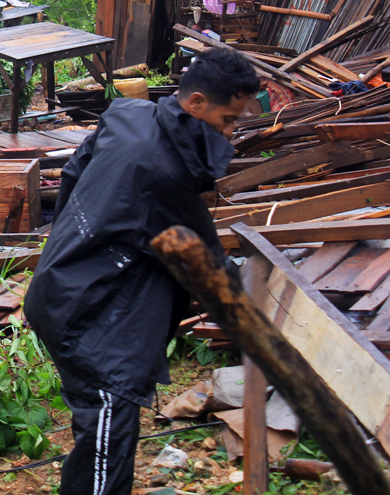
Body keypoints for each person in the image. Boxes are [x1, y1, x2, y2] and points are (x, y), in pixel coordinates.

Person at [24, 47, 260, 495]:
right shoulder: (161, 171)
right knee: (105, 446)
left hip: (67, 285)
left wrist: (78, 240)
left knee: (101, 436)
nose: (230, 134)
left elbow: (75, 173)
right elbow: (207, 268)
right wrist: (264, 328)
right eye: (228, 120)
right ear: (196, 105)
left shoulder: (130, 115)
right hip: (91, 319)